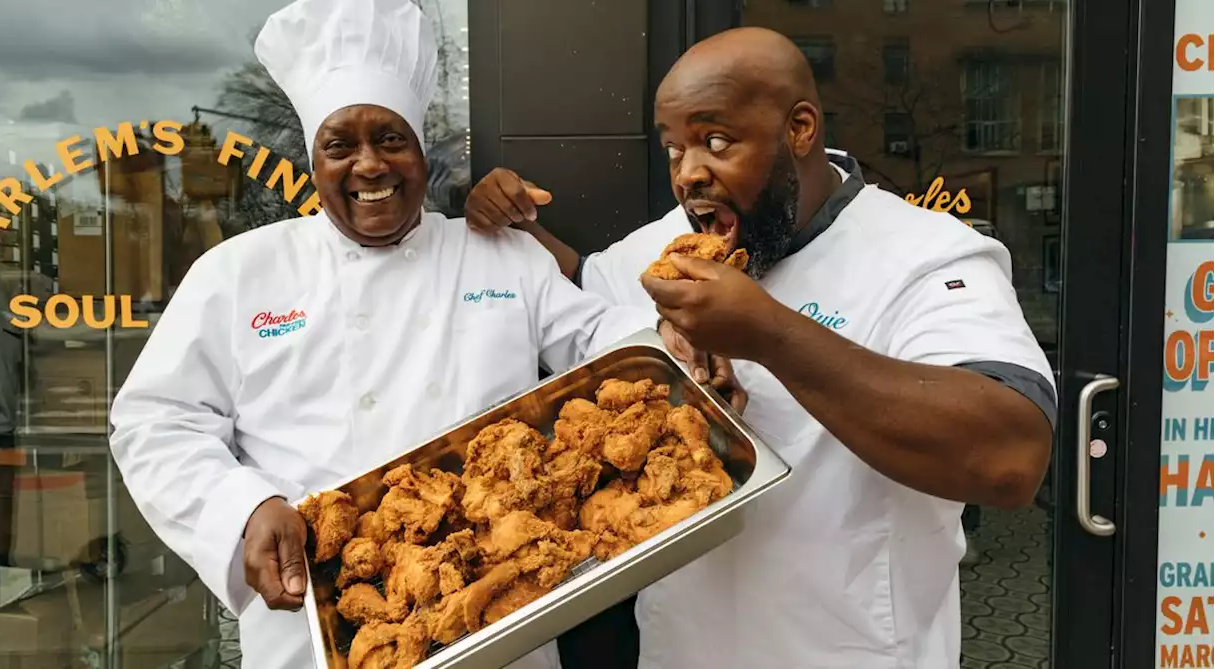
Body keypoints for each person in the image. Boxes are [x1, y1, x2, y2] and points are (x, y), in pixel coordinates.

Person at [465, 27, 1055, 669]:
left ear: (799, 129)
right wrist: (510, 222)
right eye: (673, 149)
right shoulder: (664, 248)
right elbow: (576, 293)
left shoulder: (924, 255)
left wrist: (768, 334)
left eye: (716, 141)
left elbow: (1009, 457)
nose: (689, 173)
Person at [107, 1, 671, 667]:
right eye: (340, 145)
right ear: (314, 161)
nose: (369, 165)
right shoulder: (237, 273)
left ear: (421, 151)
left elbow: (605, 342)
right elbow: (154, 418)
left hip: (493, 615)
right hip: (312, 632)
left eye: (391, 139)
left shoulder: (501, 256)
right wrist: (245, 507)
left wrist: (681, 356)